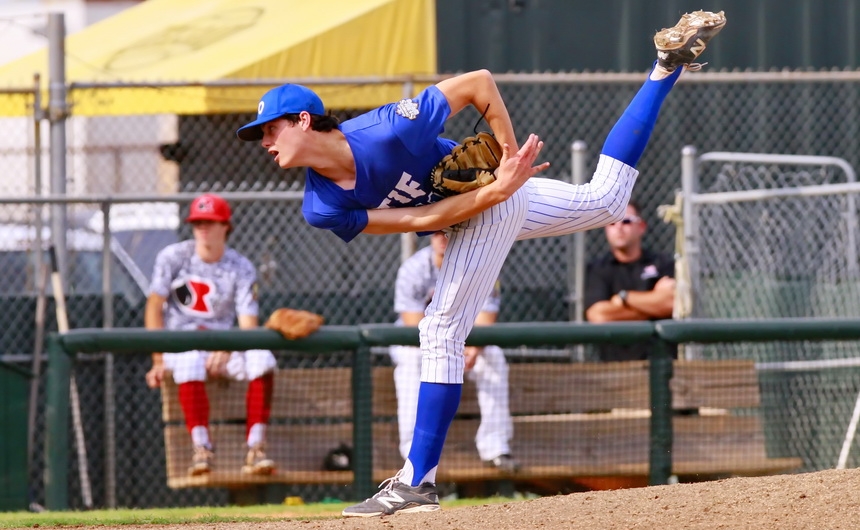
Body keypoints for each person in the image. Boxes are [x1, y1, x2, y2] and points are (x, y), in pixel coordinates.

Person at [236, 10, 725, 516]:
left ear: (303, 120)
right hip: (476, 206)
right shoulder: (320, 206)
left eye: (270, 130)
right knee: (604, 201)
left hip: (492, 199)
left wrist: (508, 165)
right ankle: (665, 67)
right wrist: (498, 189)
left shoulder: (385, 131)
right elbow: (416, 220)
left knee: (440, 331)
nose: (265, 143)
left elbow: (478, 83)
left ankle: (416, 484)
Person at [144, 193, 278, 477]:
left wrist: (229, 347)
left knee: (262, 358)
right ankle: (201, 449)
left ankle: (256, 448)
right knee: (191, 358)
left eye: (210, 221)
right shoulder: (174, 257)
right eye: (198, 221)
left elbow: (248, 323)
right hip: (182, 343)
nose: (203, 227)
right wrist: (157, 359)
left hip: (223, 345)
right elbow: (154, 306)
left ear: (225, 226)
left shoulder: (241, 265)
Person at [391, 231, 516, 472]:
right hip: (418, 344)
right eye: (437, 230)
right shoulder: (415, 267)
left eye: (449, 229)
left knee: (493, 356)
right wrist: (451, 348)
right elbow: (412, 322)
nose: (442, 235)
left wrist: (472, 348)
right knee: (409, 360)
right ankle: (412, 452)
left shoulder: (482, 264)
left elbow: (486, 317)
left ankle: (496, 447)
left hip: (463, 341)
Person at [584, 200, 676, 361]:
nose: (618, 227)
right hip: (614, 368)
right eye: (612, 222)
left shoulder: (662, 263)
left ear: (641, 227)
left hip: (660, 362)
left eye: (626, 221)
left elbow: (670, 303)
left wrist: (624, 298)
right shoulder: (598, 269)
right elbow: (598, 316)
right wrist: (653, 307)